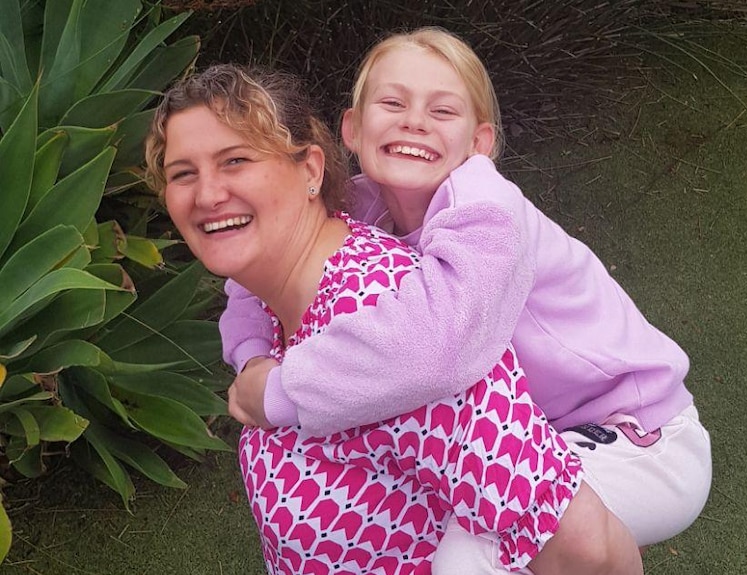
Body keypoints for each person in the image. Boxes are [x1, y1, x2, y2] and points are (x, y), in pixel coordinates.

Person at [223, 25, 712, 570]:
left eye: (443, 111)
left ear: (479, 146)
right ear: (353, 130)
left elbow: (441, 348)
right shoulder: (357, 206)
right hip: (529, 435)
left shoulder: (489, 214)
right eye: (392, 102)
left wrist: (281, 390)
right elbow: (263, 258)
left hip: (634, 431)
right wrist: (252, 358)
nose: (414, 121)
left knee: (465, 555)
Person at [146, 64, 642, 575]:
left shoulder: (391, 322)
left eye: (236, 161)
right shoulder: (274, 301)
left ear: (311, 171)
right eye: (184, 173)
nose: (206, 195)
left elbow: (585, 547)